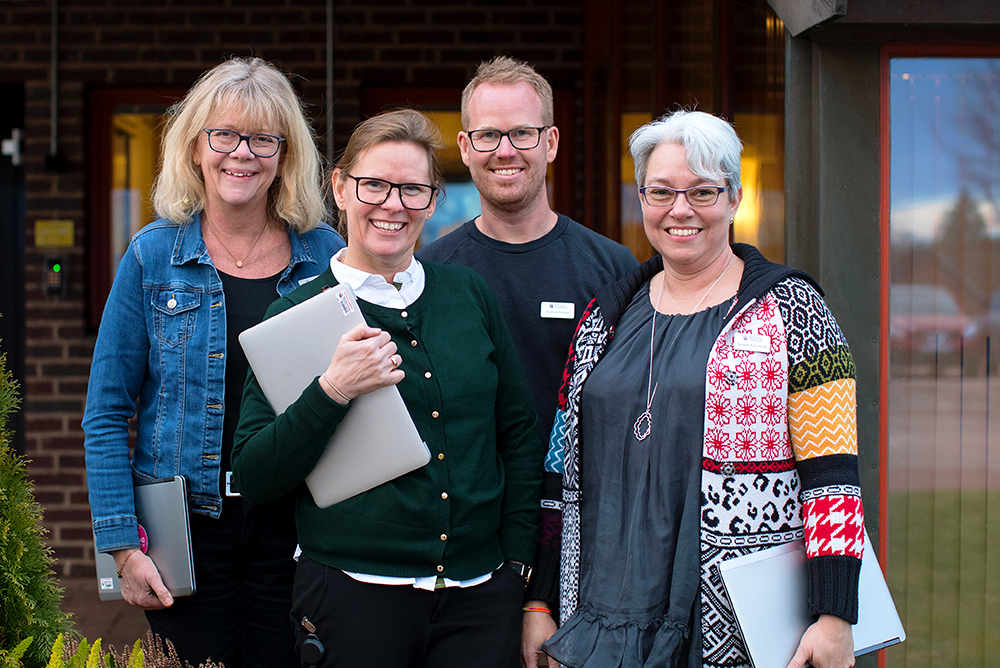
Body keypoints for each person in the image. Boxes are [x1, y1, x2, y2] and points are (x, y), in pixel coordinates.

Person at [536, 110, 864, 668]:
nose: (680, 209)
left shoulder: (793, 309)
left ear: (734, 198)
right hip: (601, 612)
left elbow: (833, 474)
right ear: (641, 198)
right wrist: (540, 600)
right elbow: (557, 466)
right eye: (660, 191)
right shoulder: (604, 316)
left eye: (703, 191)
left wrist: (834, 615)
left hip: (732, 618)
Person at [231, 109, 545, 668]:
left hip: (480, 599)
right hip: (353, 598)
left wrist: (517, 563)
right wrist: (332, 389)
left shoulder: (467, 294)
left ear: (433, 198)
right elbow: (255, 475)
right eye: (374, 184)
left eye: (413, 189)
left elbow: (517, 435)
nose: (393, 205)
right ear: (340, 188)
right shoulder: (296, 314)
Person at [83, 57, 346, 668]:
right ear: (196, 147)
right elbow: (105, 413)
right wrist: (122, 546)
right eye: (224, 135)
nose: (241, 154)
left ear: (285, 155)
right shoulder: (153, 256)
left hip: (298, 528)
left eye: (262, 138)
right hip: (186, 531)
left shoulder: (325, 256)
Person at [416, 57, 638, 665]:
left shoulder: (613, 270)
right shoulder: (432, 274)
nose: (504, 150)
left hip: (587, 544)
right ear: (465, 146)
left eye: (521, 133)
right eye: (488, 135)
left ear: (551, 142)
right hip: (472, 548)